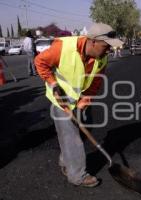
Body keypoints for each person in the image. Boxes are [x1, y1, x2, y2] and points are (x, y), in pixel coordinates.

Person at [34, 23, 123, 187]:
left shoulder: (102, 57)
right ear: (93, 42)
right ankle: (77, 175)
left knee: (86, 128)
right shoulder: (63, 47)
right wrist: (53, 83)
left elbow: (96, 81)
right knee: (71, 136)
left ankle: (67, 158)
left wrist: (86, 99)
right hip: (60, 99)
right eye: (106, 46)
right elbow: (40, 62)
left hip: (80, 98)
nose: (109, 50)